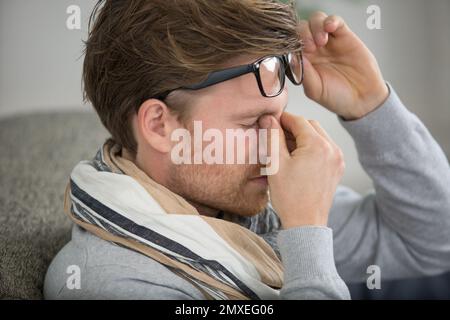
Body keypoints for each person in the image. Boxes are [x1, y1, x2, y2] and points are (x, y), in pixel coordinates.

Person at [44, 0, 450, 300]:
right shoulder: (105, 281)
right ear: (159, 125)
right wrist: (306, 231)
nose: (278, 148)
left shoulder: (258, 208)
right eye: (250, 123)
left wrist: (370, 103)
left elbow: (436, 243)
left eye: (277, 116)